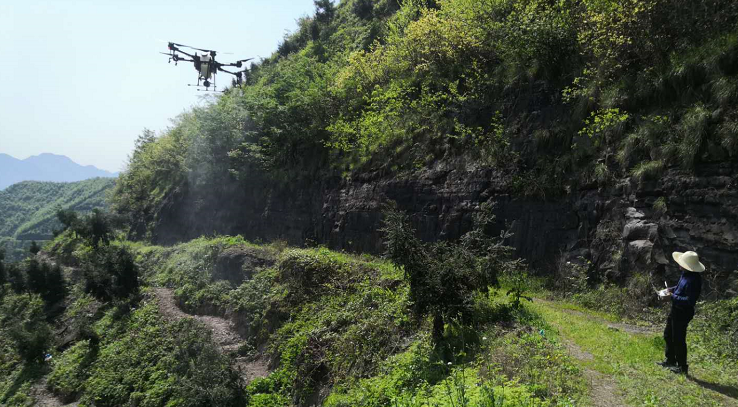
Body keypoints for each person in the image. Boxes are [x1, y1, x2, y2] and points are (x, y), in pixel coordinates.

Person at [657, 251, 704, 375]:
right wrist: (669, 290)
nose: (679, 265)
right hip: (676, 309)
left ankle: (682, 367)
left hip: (684, 312)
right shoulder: (685, 274)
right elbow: (678, 288)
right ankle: (670, 360)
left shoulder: (694, 280)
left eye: (682, 264)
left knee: (678, 339)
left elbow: (689, 301)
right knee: (668, 334)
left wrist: (672, 297)